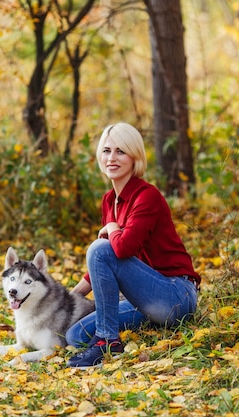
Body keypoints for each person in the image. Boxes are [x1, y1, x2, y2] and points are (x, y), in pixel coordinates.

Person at [66, 122, 201, 368]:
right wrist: (69, 299)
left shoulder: (146, 196)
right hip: (146, 299)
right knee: (75, 335)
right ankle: (148, 325)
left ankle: (107, 341)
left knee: (99, 248)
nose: (112, 158)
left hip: (175, 295)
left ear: (134, 156)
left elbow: (121, 249)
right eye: (107, 151)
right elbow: (103, 262)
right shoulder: (109, 201)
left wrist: (113, 227)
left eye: (121, 151)